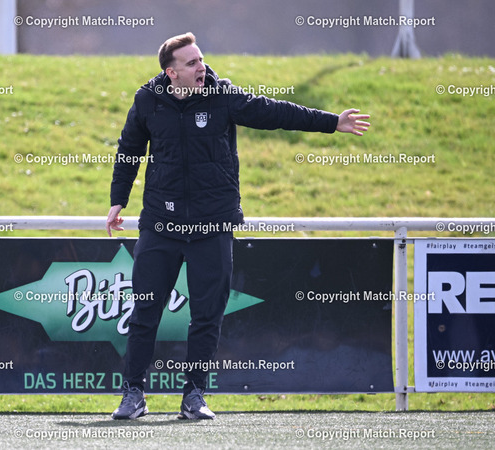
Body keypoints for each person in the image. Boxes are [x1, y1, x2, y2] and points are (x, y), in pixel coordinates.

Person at [106, 32, 369, 420]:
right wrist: (118, 199)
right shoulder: (147, 100)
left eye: (201, 59)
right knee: (145, 313)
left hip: (212, 225)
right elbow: (129, 149)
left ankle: (194, 396)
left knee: (206, 316)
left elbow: (275, 113)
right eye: (192, 63)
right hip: (161, 224)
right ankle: (133, 395)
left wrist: (332, 123)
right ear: (171, 72)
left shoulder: (223, 95)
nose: (202, 67)